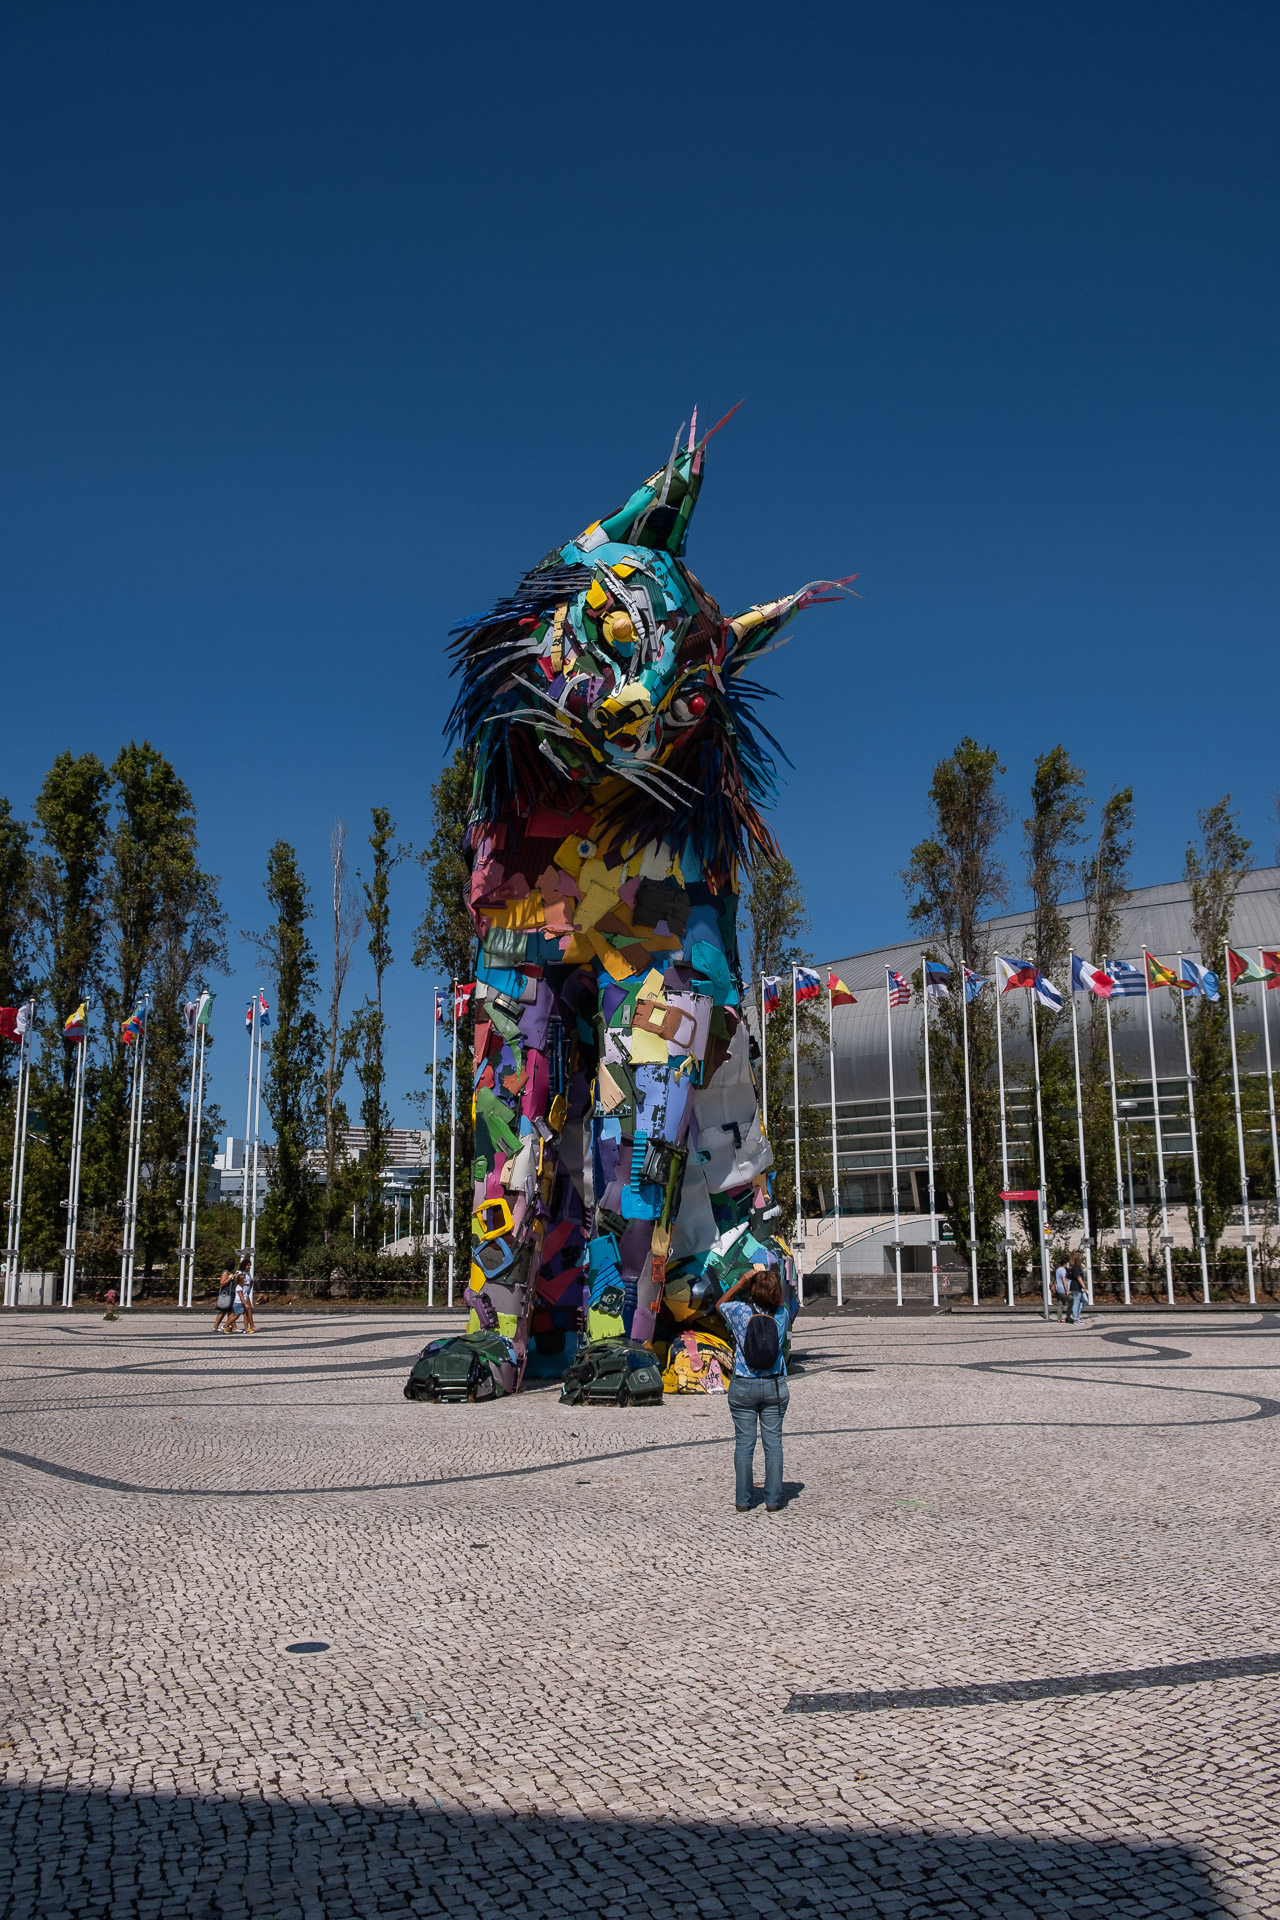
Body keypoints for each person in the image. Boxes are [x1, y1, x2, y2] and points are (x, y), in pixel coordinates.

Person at [716, 1263, 799, 1513]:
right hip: (774, 1385)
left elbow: (719, 1304)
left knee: (744, 1444)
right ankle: (773, 1500)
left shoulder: (740, 1311)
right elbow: (781, 1301)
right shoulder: (782, 1314)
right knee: (773, 1444)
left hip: (744, 1384)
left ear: (753, 1290)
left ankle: (743, 1500)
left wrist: (742, 1282)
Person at [213, 1263, 238, 1333]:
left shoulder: (230, 1273)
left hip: (231, 1294)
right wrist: (230, 1278)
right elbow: (222, 1283)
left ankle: (233, 1327)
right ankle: (216, 1326)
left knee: (230, 1311)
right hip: (226, 1294)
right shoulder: (225, 1273)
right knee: (224, 1310)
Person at [1068, 1251, 1088, 1324]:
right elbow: (1078, 1277)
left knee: (1085, 1300)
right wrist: (1084, 1286)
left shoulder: (1076, 1266)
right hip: (1076, 1286)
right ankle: (1075, 1319)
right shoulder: (1076, 1266)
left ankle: (1077, 1315)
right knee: (1076, 1302)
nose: (1082, 1258)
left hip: (1078, 1286)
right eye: (1081, 1257)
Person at [1053, 1258, 1070, 1323]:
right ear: (1065, 1264)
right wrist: (1067, 1290)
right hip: (1063, 1289)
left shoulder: (1058, 1270)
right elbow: (1064, 1281)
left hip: (1058, 1289)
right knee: (1071, 1302)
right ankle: (1068, 1316)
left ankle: (1059, 1318)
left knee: (1061, 1303)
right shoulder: (1063, 1271)